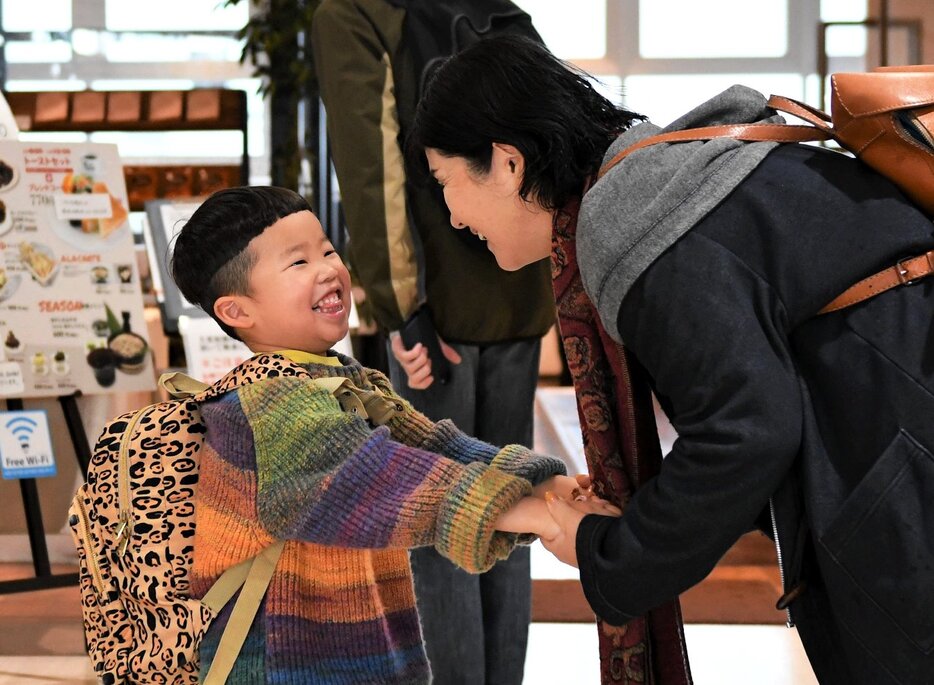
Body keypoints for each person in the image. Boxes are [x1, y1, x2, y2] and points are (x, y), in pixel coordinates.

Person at [406, 35, 934, 685]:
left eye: (444, 183)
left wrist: (606, 555)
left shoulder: (634, 217)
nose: (454, 218)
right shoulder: (677, 177)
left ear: (508, 164)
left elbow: (744, 434)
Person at [168, 186, 613, 683]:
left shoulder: (343, 377)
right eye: (298, 263)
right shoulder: (263, 403)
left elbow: (434, 446)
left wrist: (547, 485)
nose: (327, 269)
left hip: (362, 651)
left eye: (328, 250)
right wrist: (536, 514)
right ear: (237, 312)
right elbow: (375, 479)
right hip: (285, 665)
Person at [311, 2, 556, 683]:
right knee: (513, 505)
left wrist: (399, 307)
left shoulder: (353, 12)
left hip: (435, 301)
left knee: (437, 515)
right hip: (520, 281)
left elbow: (370, 170)